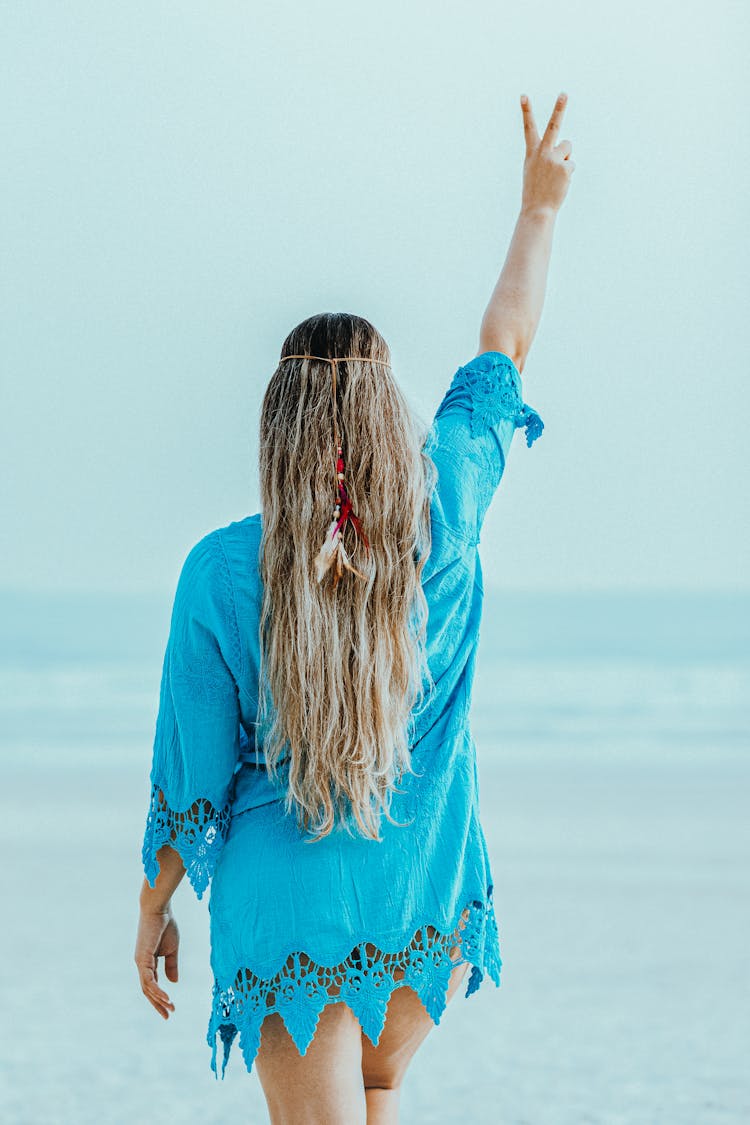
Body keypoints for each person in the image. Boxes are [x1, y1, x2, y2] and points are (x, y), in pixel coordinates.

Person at [133, 90, 574, 1124]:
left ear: (278, 433)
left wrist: (154, 907)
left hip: (288, 914)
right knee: (379, 1098)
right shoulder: (448, 510)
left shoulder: (224, 571)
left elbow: (192, 773)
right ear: (391, 419)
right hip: (422, 896)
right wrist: (541, 211)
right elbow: (505, 347)